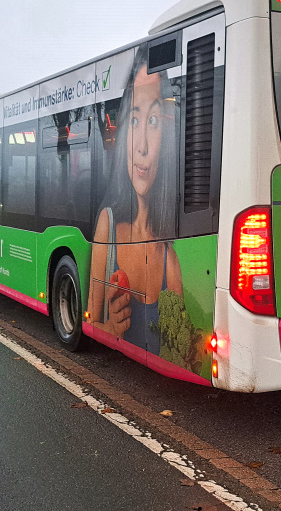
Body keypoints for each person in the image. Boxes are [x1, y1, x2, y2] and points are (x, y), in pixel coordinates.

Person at [88, 46, 183, 354]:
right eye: (134, 120)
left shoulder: (170, 262)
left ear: (167, 136)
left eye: (154, 121)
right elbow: (90, 320)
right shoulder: (108, 225)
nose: (141, 146)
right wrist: (112, 329)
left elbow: (177, 348)